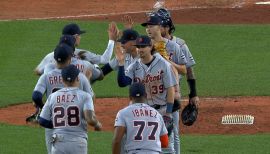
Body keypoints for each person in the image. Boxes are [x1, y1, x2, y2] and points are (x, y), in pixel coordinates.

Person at [28, 44, 94, 154]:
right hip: (75, 128)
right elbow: (90, 98)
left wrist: (44, 109)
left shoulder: (46, 76)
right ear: (69, 59)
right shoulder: (79, 76)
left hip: (54, 124)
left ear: (55, 59)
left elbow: (36, 96)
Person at [117, 35, 177, 153]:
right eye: (138, 47)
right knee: (138, 143)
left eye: (143, 46)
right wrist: (120, 64)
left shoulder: (163, 64)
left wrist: (168, 113)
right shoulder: (134, 66)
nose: (140, 49)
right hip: (141, 111)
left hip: (161, 110)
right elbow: (123, 82)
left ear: (150, 47)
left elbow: (170, 89)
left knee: (168, 147)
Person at [152, 8, 199, 154]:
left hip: (173, 94)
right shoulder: (149, 44)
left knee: (173, 133)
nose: (154, 28)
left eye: (157, 25)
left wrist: (193, 94)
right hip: (154, 93)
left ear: (166, 26)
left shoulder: (180, 45)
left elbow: (188, 70)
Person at [39, 64, 102, 154]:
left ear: (63, 81)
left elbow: (42, 120)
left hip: (58, 143)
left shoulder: (52, 97)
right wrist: (97, 124)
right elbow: (90, 119)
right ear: (77, 78)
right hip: (78, 143)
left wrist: (59, 125)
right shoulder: (85, 96)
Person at [35, 22, 118, 75]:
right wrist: (111, 40)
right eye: (79, 35)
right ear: (75, 37)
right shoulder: (82, 54)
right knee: (94, 67)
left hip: (55, 98)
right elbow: (105, 59)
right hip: (78, 96)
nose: (80, 37)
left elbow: (38, 71)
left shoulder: (51, 55)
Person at [112, 83, 168, 154]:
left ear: (130, 97)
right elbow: (165, 143)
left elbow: (117, 141)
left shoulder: (123, 113)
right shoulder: (157, 114)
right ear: (146, 95)